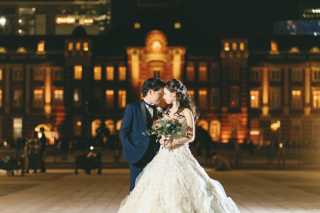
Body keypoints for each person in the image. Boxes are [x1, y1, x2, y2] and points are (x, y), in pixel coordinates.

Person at [118, 79, 239, 213]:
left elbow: (191, 136)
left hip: (179, 152)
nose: (163, 96)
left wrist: (174, 142)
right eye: (161, 93)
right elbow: (154, 133)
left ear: (174, 94)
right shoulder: (164, 112)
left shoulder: (183, 111)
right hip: (161, 154)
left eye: (165, 93)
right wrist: (162, 140)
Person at [120, 78, 165, 191]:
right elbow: (123, 131)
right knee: (136, 189)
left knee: (152, 190)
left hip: (155, 156)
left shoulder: (160, 111)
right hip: (137, 155)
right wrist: (130, 148)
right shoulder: (132, 108)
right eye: (160, 93)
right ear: (150, 91)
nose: (162, 97)